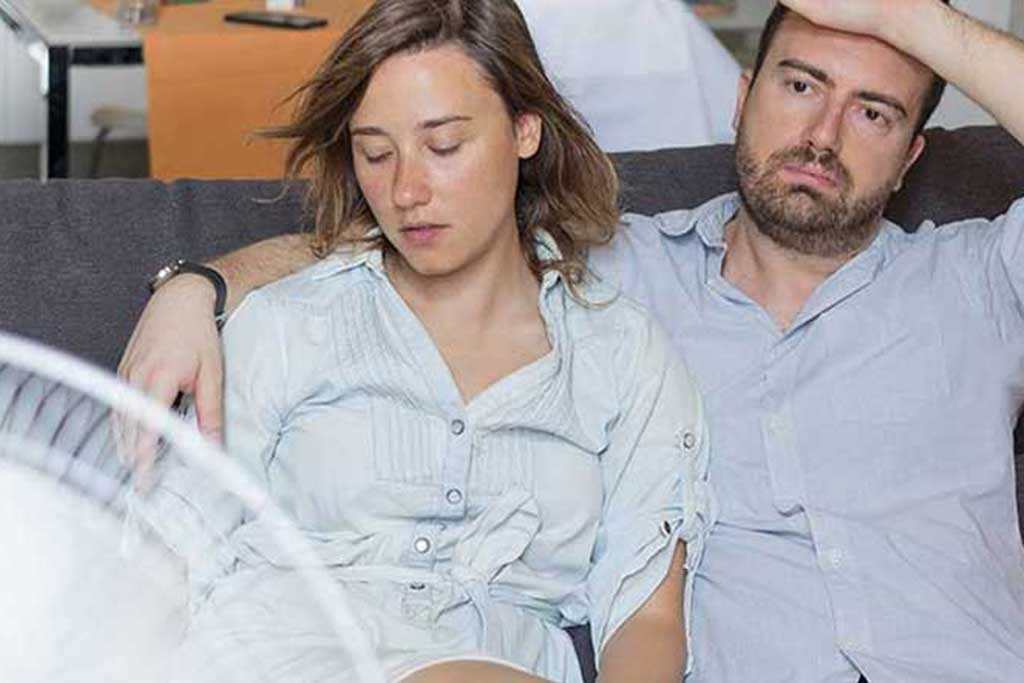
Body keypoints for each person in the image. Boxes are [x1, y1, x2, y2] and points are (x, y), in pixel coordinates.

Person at [122, 0, 1024, 680]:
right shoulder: (620, 271)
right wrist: (197, 286)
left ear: (913, 155)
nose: (821, 135)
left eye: (874, 111)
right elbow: (405, 237)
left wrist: (908, 16)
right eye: (800, 85)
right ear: (742, 95)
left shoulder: (985, 281)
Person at [127, 0, 712, 682]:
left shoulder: (622, 354)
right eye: (376, 153)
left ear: (526, 130)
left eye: (443, 147)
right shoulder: (292, 324)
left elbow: (646, 617)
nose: (405, 190)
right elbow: (168, 553)